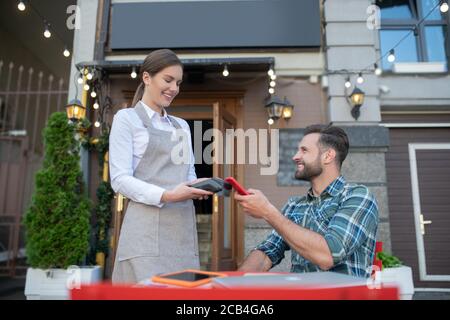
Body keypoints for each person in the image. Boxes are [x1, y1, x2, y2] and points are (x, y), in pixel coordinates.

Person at [109, 49, 213, 283]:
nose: (174, 88)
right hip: (144, 233)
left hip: (182, 233)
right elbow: (119, 179)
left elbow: (188, 173)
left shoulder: (182, 127)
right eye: (168, 80)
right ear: (147, 78)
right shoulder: (127, 119)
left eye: (178, 83)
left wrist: (200, 186)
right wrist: (167, 194)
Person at [235, 124, 379, 278]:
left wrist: (268, 212)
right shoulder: (295, 206)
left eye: (304, 150)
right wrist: (233, 284)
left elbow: (329, 255)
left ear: (328, 156)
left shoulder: (357, 197)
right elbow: (266, 253)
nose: (295, 156)